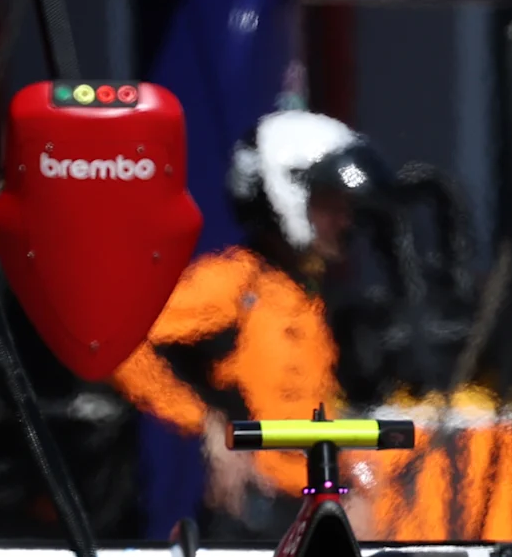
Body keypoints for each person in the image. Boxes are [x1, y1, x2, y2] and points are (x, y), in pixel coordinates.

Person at [115, 109, 349, 517]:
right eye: (329, 204)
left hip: (320, 499)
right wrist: (202, 423)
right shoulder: (235, 282)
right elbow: (120, 341)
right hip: (256, 511)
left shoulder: (314, 291)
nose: (343, 221)